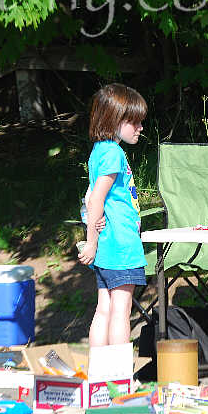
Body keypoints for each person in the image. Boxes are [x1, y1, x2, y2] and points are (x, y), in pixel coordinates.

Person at [77, 83, 147, 347]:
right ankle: (119, 376)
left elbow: (88, 198)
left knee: (104, 309)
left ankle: (100, 373)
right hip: (120, 244)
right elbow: (96, 198)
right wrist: (91, 241)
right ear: (116, 120)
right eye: (135, 122)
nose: (140, 127)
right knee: (121, 310)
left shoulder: (99, 151)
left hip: (109, 242)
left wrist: (93, 231)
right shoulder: (114, 153)